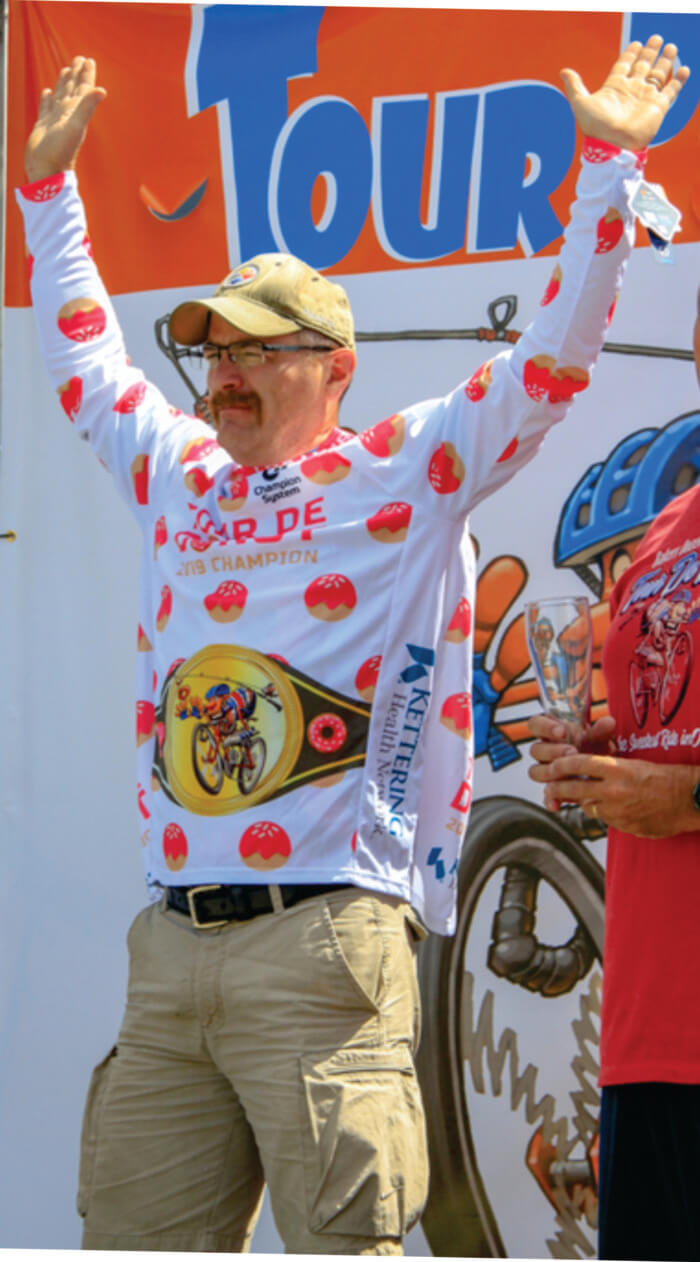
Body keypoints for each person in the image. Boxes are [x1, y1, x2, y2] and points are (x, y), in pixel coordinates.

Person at [18, 40, 688, 1256]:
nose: (222, 375)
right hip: (170, 945)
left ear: (332, 367)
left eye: (253, 349)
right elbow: (82, 364)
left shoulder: (407, 468)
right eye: (212, 350)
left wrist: (606, 164)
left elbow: (552, 358)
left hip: (325, 938)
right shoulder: (177, 473)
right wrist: (47, 197)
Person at [529, 284, 700, 1261]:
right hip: (648, 1035)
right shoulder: (665, 530)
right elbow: (657, 734)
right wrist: (599, 754)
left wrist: (682, 797)